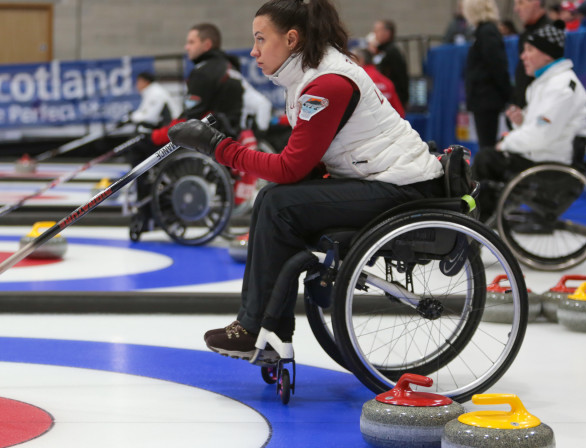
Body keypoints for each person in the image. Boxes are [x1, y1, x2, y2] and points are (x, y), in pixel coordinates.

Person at [167, 0, 444, 361]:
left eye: (261, 39)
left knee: (277, 201)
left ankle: (254, 327)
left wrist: (216, 146)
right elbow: (306, 166)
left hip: (402, 187)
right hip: (384, 178)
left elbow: (291, 168)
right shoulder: (311, 76)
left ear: (292, 39)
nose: (253, 51)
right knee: (276, 199)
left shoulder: (326, 83)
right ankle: (268, 330)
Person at [126, 23, 244, 239]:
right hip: (228, 136)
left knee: (139, 146)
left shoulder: (204, 72)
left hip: (205, 140)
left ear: (207, 44)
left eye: (191, 42)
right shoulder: (230, 68)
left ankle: (148, 214)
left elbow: (190, 120)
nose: (186, 47)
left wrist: (154, 135)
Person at [472, 21, 586, 222]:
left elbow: (541, 135)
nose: (522, 56)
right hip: (542, 156)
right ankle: (477, 224)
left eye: (529, 50)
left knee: (487, 160)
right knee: (486, 161)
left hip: (552, 168)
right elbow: (542, 127)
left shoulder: (561, 87)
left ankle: (475, 229)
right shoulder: (544, 84)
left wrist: (506, 143)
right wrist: (522, 121)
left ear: (546, 54)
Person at [463, 0, 512, 150]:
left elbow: (497, 65)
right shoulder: (481, 32)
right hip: (483, 98)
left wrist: (509, 95)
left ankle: (488, 173)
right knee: (486, 143)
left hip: (487, 98)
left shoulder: (487, 32)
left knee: (487, 145)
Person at [512, 0, 551, 108]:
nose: (516, 9)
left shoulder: (549, 33)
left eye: (521, 3)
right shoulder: (525, 34)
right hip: (525, 109)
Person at [355, 48, 405, 117]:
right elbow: (400, 112)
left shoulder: (357, 81)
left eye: (351, 59)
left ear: (360, 60)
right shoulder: (387, 82)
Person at [372, 19, 410, 108]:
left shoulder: (392, 52)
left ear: (387, 32)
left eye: (377, 30)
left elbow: (400, 77)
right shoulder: (380, 51)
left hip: (393, 99)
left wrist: (403, 99)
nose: (374, 33)